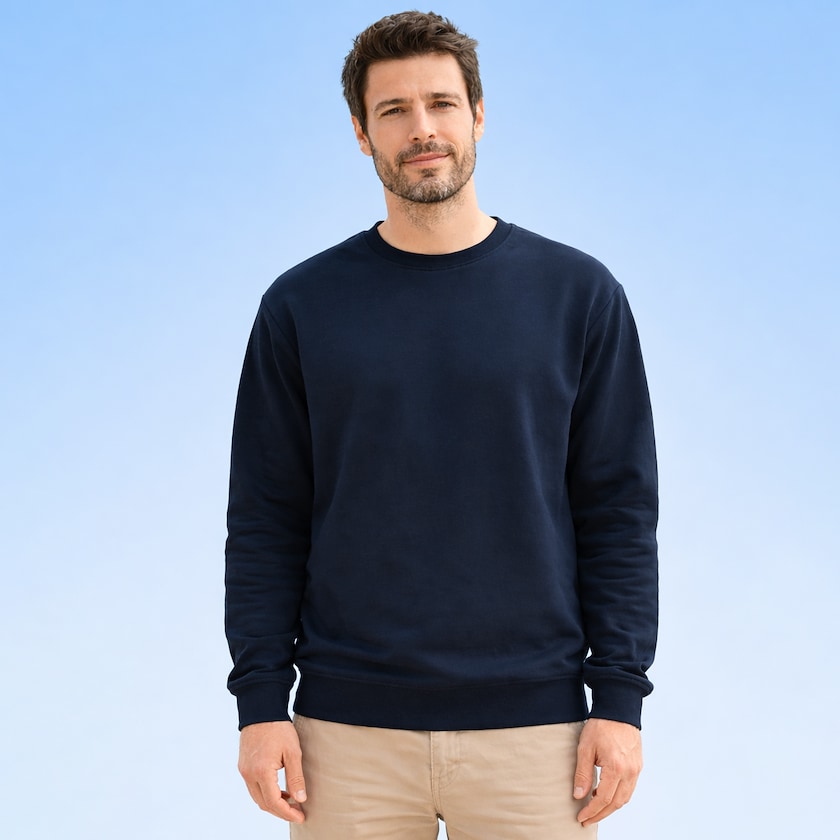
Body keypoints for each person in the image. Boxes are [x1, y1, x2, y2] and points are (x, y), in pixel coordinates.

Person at [225, 10, 658, 839]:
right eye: (393, 110)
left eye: (442, 103)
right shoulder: (301, 307)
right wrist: (260, 704)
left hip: (538, 736)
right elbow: (265, 519)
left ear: (479, 115)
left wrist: (620, 700)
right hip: (343, 738)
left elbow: (618, 511)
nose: (421, 129)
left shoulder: (578, 296)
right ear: (362, 134)